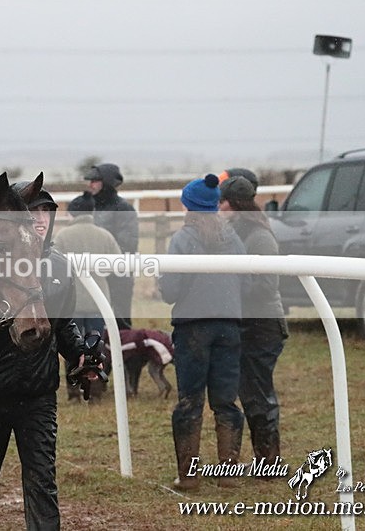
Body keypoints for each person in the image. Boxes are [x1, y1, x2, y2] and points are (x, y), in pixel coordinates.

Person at [0, 184, 98, 530]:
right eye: (33, 213)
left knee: (42, 481)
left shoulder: (60, 267)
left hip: (38, 394)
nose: (40, 220)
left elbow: (63, 325)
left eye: (46, 212)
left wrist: (80, 356)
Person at [158, 173, 246, 491]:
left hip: (193, 328)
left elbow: (170, 289)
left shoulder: (182, 239)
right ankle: (228, 472)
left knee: (190, 402)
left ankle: (188, 476)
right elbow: (246, 281)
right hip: (229, 326)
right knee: (226, 402)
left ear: (188, 206)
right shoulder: (233, 239)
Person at [219, 170, 288, 466]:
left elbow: (265, 285)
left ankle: (269, 462)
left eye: (222, 204)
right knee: (250, 392)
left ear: (234, 204)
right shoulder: (239, 233)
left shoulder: (259, 236)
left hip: (263, 326)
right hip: (249, 324)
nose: (218, 209)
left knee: (258, 394)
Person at [53, 191, 121, 401]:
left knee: (71, 345)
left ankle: (74, 390)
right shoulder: (105, 235)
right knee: (96, 346)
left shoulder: (63, 236)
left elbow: (55, 267)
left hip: (70, 302)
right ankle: (96, 390)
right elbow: (117, 265)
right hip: (97, 301)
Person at [84, 163, 138, 328]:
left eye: (95, 180)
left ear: (106, 182)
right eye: (90, 180)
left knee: (120, 324)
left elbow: (128, 244)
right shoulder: (90, 207)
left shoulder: (124, 209)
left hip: (118, 276)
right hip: (94, 274)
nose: (90, 185)